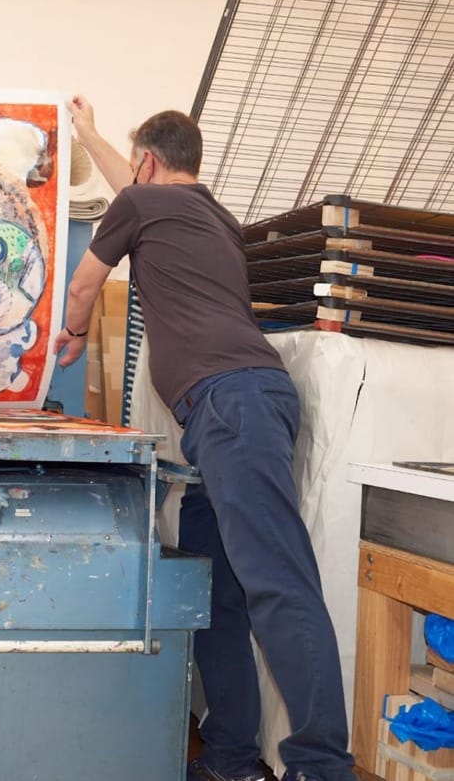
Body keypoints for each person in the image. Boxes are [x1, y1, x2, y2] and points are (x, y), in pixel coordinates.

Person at [55, 97, 356, 781]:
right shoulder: (216, 214)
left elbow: (83, 286)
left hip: (233, 407)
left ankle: (320, 768)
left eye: (134, 164)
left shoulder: (139, 204)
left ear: (148, 163)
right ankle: (229, 760)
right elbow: (134, 183)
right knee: (217, 587)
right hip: (234, 408)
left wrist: (73, 332)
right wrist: (92, 133)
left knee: (278, 584)